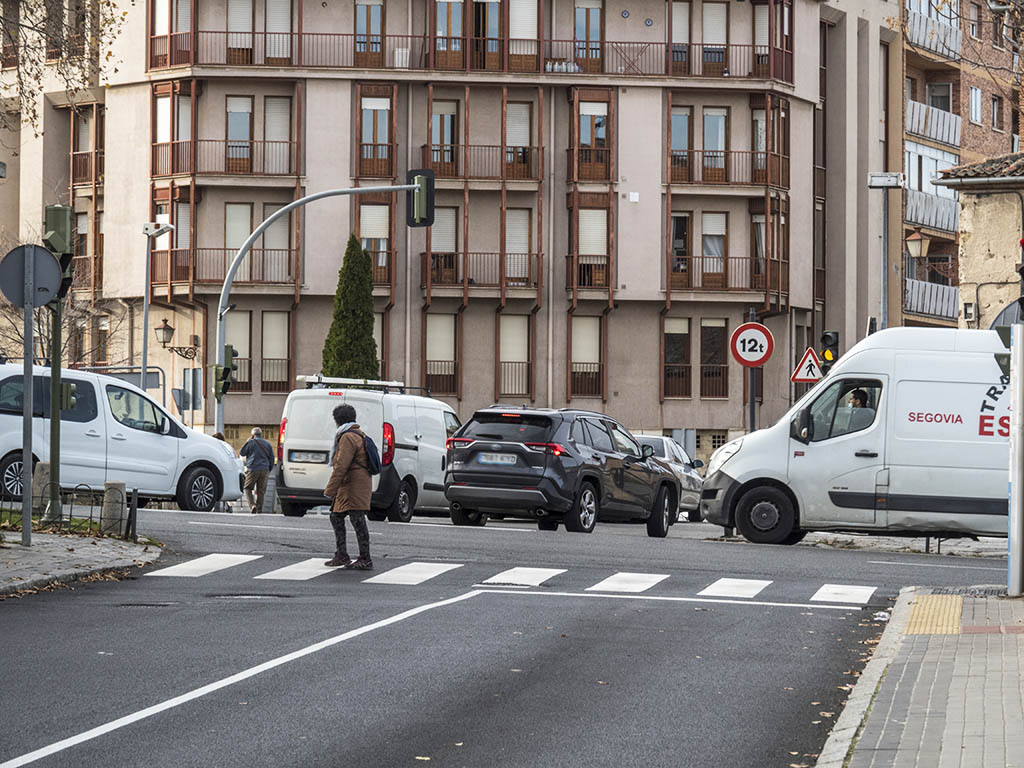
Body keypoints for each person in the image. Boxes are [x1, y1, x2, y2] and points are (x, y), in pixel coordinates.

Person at [323, 403, 373, 570]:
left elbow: (341, 465)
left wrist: (330, 489)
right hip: (352, 483)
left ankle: (364, 558)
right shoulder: (358, 433)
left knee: (357, 519)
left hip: (354, 484)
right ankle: (342, 554)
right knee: (336, 516)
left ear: (337, 420)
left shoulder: (347, 437)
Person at [239, 427, 274, 514]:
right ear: (261, 434)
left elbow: (242, 452)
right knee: (261, 491)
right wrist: (269, 469)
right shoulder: (267, 444)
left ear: (252, 435)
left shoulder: (250, 442)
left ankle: (252, 505)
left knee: (247, 488)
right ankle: (259, 510)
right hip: (265, 469)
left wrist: (247, 441)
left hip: (253, 469)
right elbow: (272, 458)